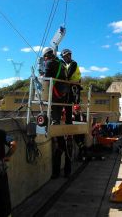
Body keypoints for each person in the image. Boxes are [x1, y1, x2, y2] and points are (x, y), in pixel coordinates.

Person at [41, 47, 72, 179]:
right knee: (64, 147)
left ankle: (58, 173)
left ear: (46, 56)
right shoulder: (61, 63)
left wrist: (41, 75)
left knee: (61, 147)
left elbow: (46, 78)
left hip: (55, 95)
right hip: (62, 95)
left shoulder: (49, 63)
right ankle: (66, 172)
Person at [61, 48, 81, 124]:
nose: (65, 58)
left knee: (73, 106)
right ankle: (69, 121)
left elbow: (68, 76)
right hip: (71, 87)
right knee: (69, 105)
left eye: (66, 56)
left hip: (74, 87)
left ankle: (74, 122)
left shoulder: (73, 64)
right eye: (64, 57)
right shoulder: (68, 64)